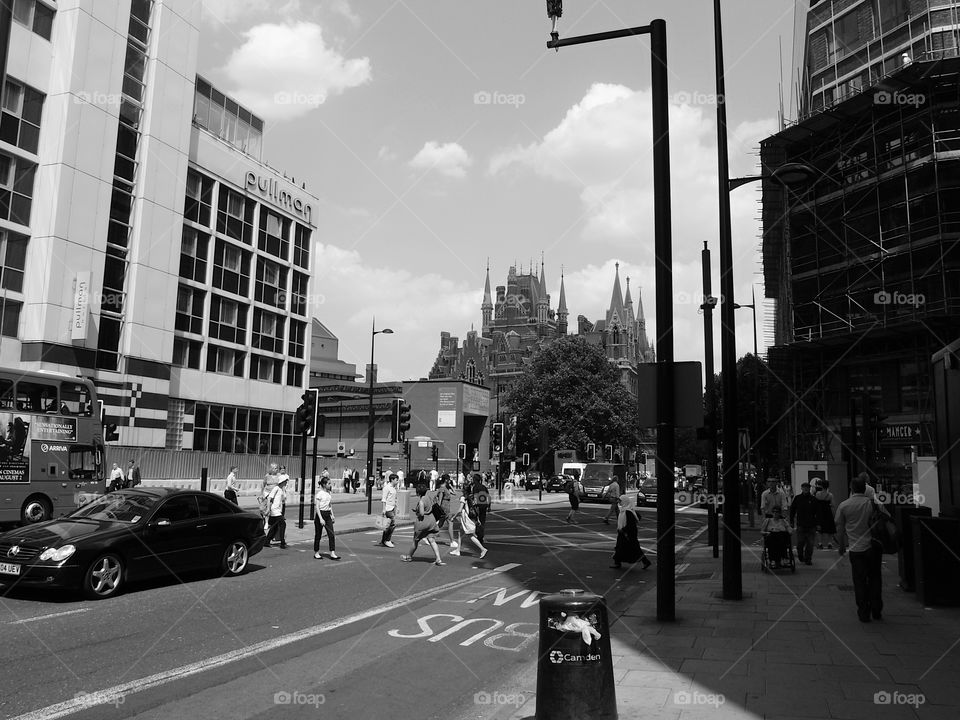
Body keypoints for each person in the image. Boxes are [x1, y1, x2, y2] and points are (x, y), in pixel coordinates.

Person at [836, 474, 883, 622]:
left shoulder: (844, 505)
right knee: (875, 578)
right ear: (865, 489)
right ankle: (876, 610)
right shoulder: (874, 504)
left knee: (860, 580)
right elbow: (887, 518)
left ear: (851, 488)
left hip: (856, 549)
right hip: (873, 547)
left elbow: (840, 528)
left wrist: (842, 546)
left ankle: (863, 612)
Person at [401, 483, 445, 565]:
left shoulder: (421, 501)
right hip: (432, 521)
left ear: (418, 493)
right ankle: (438, 559)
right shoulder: (428, 497)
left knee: (415, 541)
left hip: (423, 522)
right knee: (432, 540)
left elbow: (421, 513)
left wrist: (417, 512)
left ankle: (409, 556)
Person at [610, 495, 651, 570]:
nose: (619, 502)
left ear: (624, 501)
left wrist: (624, 530)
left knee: (628, 547)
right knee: (623, 547)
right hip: (624, 532)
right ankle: (645, 561)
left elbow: (631, 524)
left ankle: (617, 563)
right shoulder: (625, 509)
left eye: (620, 500)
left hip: (628, 533)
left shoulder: (628, 511)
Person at [450, 491, 487, 558]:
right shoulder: (473, 497)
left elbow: (459, 510)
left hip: (466, 518)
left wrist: (453, 517)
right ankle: (458, 550)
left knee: (470, 535)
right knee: (460, 533)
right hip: (472, 518)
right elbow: (475, 509)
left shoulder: (463, 498)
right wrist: (477, 519)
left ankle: (483, 549)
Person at [790, 481, 819, 565]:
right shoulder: (798, 498)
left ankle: (808, 558)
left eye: (807, 487)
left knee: (810, 544)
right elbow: (792, 510)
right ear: (801, 488)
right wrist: (791, 521)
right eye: (804, 487)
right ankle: (800, 554)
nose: (806, 489)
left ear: (809, 488)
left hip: (811, 525)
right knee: (800, 542)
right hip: (801, 524)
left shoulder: (813, 499)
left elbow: (818, 512)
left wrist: (818, 523)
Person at [313, 477, 340, 560]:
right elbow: (317, 507)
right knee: (318, 535)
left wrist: (332, 515)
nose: (330, 485)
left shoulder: (329, 493)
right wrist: (321, 518)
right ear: (324, 485)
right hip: (320, 514)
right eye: (329, 483)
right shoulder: (319, 494)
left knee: (331, 534)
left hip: (327, 514)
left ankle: (332, 553)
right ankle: (316, 552)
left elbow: (329, 505)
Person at [374, 474, 398, 548]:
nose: (397, 481)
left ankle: (383, 540)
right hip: (388, 508)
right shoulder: (387, 488)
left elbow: (394, 498)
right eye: (396, 479)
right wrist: (384, 509)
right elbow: (384, 499)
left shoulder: (393, 488)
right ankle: (387, 540)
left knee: (387, 525)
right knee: (392, 524)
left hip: (392, 508)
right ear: (392, 480)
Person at [466, 473, 490, 543]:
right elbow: (488, 496)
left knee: (477, 521)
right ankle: (481, 536)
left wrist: (473, 505)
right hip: (484, 505)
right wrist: (489, 506)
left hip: (478, 506)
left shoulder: (475, 487)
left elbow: (475, 497)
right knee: (482, 521)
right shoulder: (483, 487)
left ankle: (478, 535)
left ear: (475, 480)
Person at [265, 476, 289, 549]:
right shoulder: (276, 488)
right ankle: (282, 542)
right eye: (285, 481)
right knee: (283, 524)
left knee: (274, 527)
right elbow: (269, 498)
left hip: (278, 510)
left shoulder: (281, 489)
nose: (286, 483)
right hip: (275, 510)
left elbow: (283, 499)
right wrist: (268, 509)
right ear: (282, 482)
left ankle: (267, 541)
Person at [435, 475, 457, 548]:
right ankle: (452, 541)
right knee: (450, 523)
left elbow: (455, 493)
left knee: (440, 524)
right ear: (446, 480)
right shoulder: (442, 488)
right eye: (449, 479)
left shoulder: (446, 488)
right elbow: (440, 500)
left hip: (447, 506)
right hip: (444, 507)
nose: (449, 480)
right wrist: (439, 509)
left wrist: (450, 486)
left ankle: (428, 536)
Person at [815, 480, 836, 549]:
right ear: (828, 486)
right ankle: (830, 543)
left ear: (821, 486)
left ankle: (820, 543)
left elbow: (815, 503)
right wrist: (833, 515)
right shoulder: (830, 495)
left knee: (819, 529)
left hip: (819, 513)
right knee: (830, 528)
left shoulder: (817, 494)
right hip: (828, 512)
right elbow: (833, 505)